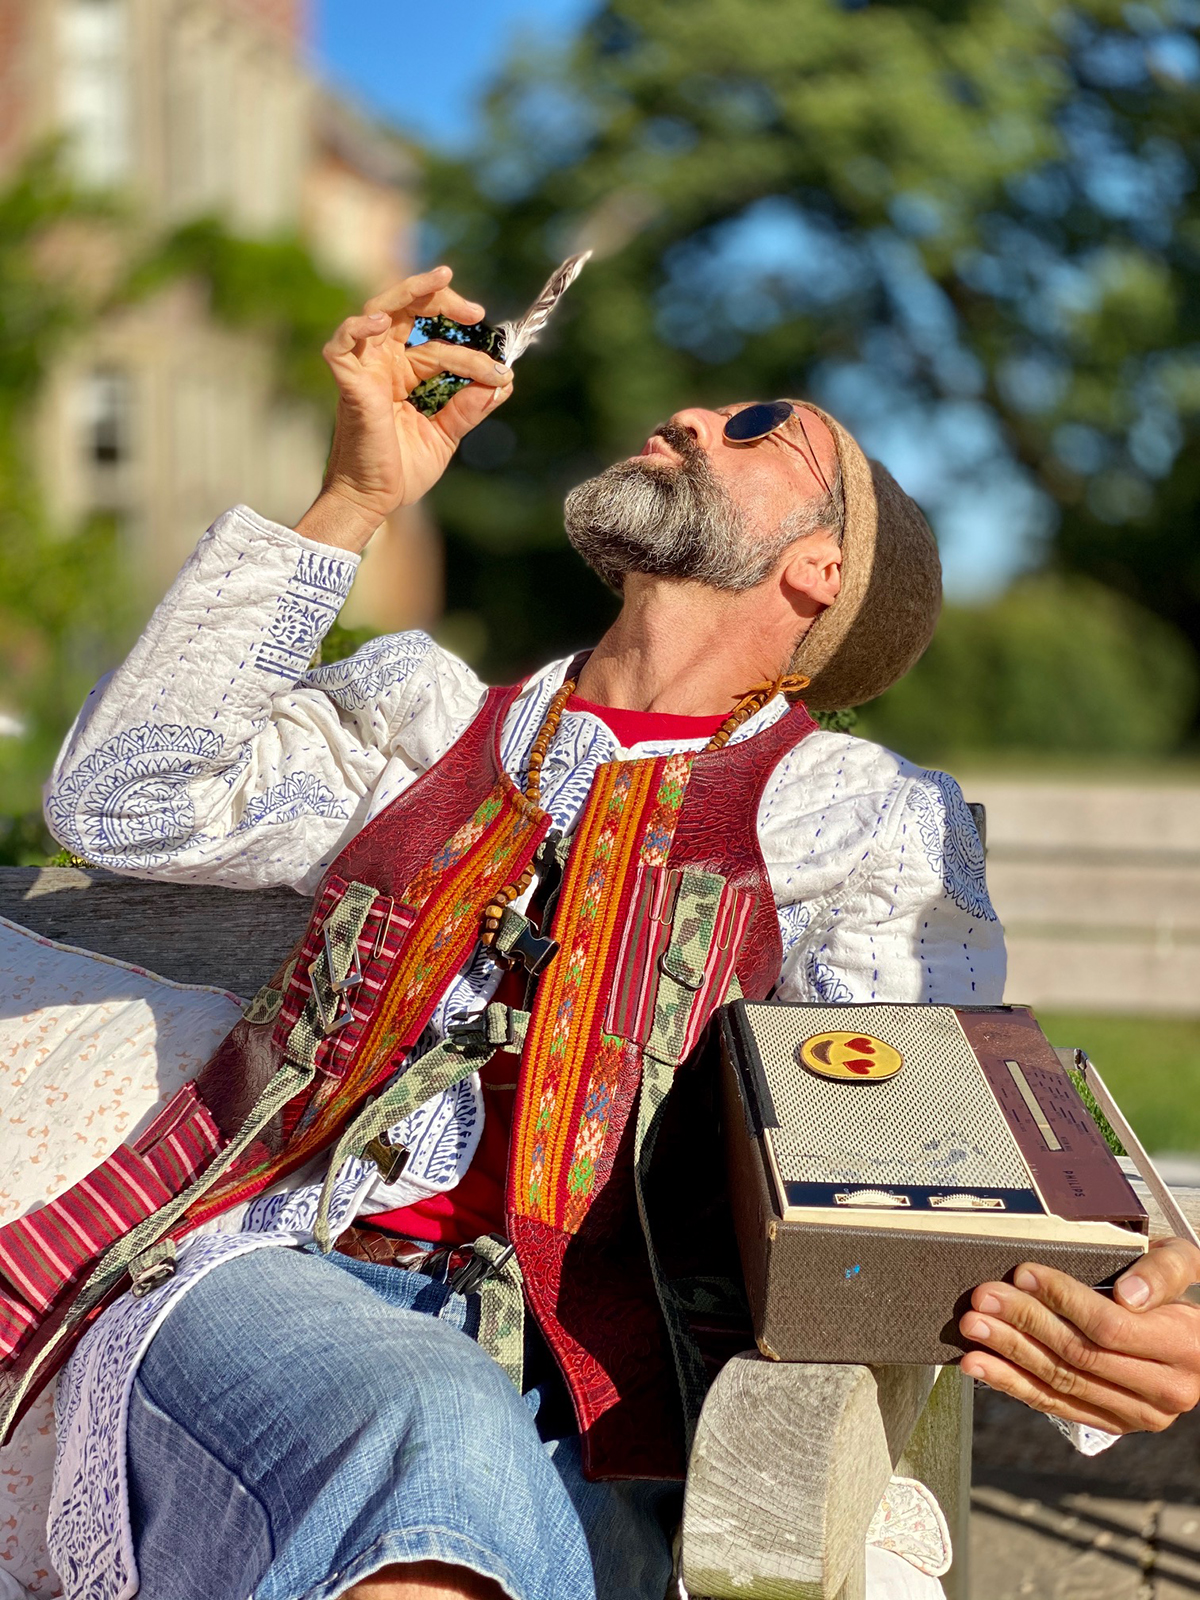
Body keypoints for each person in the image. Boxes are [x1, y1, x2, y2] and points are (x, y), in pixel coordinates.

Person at [36, 266, 1200, 1600]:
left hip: (614, 1417)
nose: (697, 413)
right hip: (282, 1296)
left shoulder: (851, 824)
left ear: (820, 569)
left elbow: (922, 1129)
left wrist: (1123, 1302)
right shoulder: (422, 719)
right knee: (426, 1427)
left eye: (766, 425)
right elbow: (123, 802)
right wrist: (355, 499)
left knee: (474, 1512)